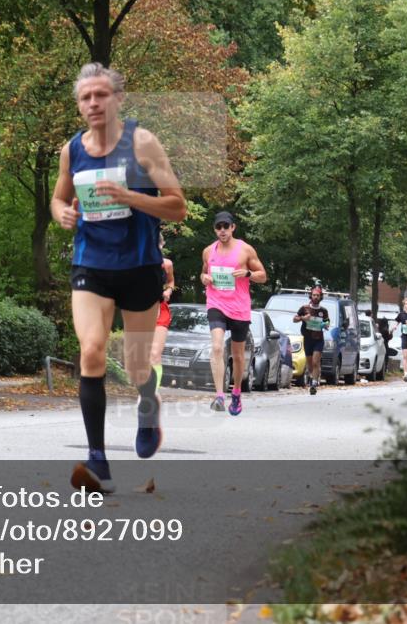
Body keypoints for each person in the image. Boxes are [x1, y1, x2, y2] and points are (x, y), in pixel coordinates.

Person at [51, 62, 187, 494]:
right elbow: (58, 198)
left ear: (117, 99)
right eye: (85, 97)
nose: (93, 103)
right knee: (91, 350)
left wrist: (130, 196)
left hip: (139, 265)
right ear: (79, 105)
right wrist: (63, 214)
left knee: (134, 365)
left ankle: (148, 404)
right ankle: (98, 460)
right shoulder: (72, 150)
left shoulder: (142, 143)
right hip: (91, 264)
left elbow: (177, 205)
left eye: (101, 95)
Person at [199, 211, 267, 416]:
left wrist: (248, 274)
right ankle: (219, 395)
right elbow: (204, 271)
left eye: (225, 227)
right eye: (218, 227)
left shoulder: (245, 250)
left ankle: (236, 392)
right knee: (218, 347)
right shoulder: (208, 251)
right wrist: (204, 278)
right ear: (215, 229)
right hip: (216, 303)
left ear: (232, 228)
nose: (222, 231)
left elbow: (263, 276)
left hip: (239, 308)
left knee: (237, 356)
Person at [148, 234, 176, 391]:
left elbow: (171, 281)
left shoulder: (167, 264)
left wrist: (169, 291)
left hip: (160, 310)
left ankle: (152, 391)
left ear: (162, 245)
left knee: (155, 354)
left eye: (158, 245)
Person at [294, 285, 330, 395]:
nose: (315, 297)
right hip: (307, 339)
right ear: (311, 296)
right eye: (314, 295)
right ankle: (311, 377)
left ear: (320, 297)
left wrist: (325, 325)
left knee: (315, 362)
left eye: (317, 295)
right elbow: (294, 319)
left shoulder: (323, 311)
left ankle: (314, 383)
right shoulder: (304, 308)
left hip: (318, 339)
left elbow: (328, 322)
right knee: (310, 364)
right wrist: (303, 318)